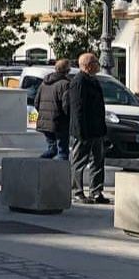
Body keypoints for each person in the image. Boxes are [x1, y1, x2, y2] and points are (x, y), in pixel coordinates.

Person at [69, 52, 108, 204]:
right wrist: (80, 131)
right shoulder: (79, 82)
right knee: (79, 161)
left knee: (98, 160)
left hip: (96, 129)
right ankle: (77, 191)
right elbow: (77, 108)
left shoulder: (94, 81)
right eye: (96, 62)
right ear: (88, 65)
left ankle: (96, 191)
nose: (99, 65)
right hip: (84, 130)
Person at [34, 59, 71, 160]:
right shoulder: (65, 84)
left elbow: (36, 103)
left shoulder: (44, 84)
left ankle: (40, 163)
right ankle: (59, 174)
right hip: (60, 123)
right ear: (67, 70)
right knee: (62, 151)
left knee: (52, 149)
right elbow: (66, 106)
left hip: (45, 123)